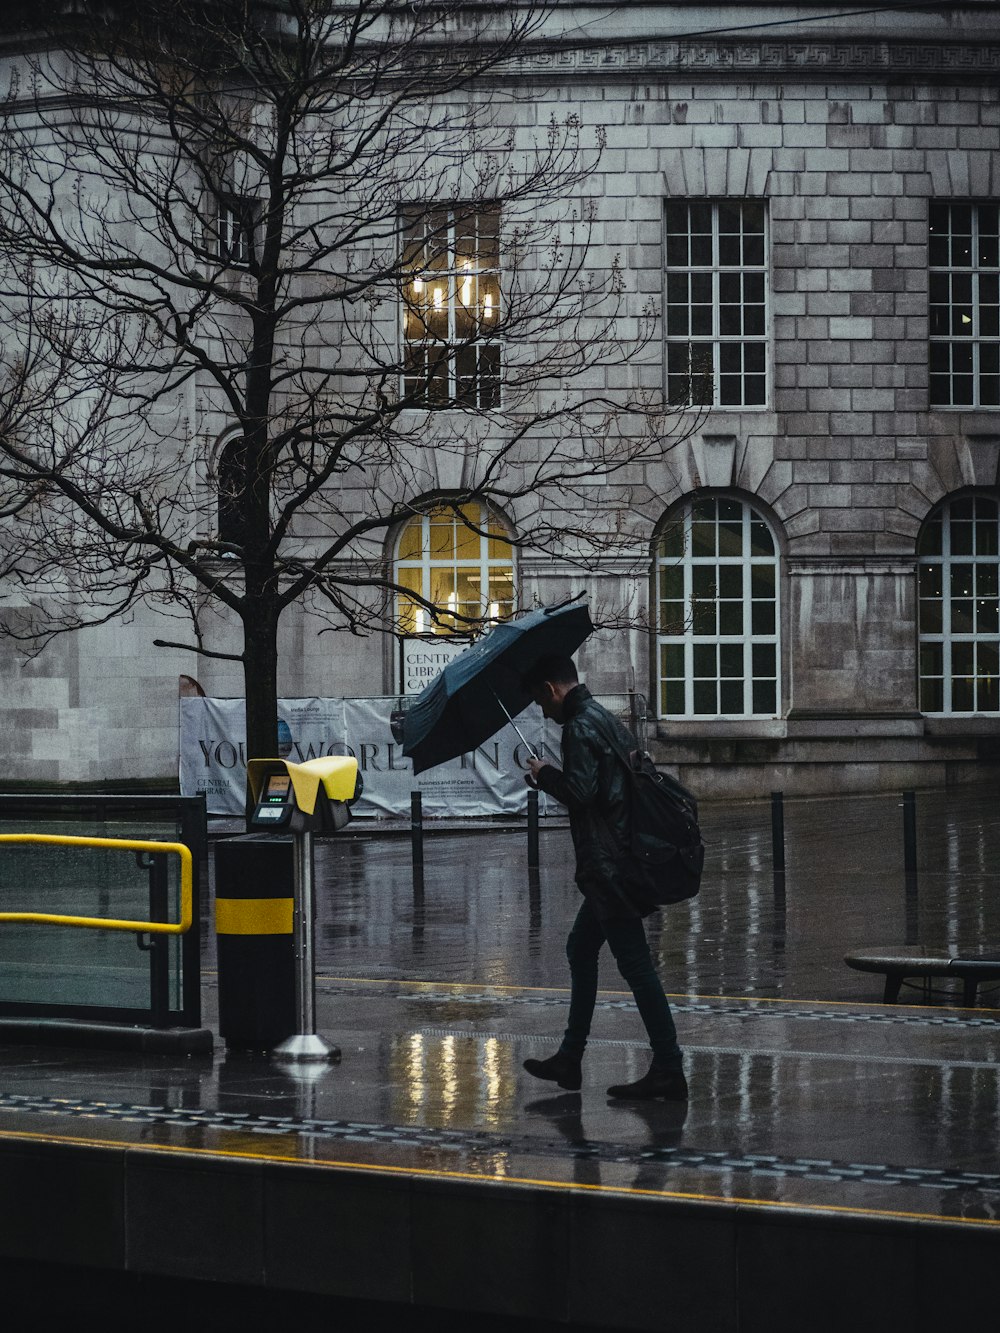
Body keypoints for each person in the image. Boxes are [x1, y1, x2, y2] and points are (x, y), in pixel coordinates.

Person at [520, 653, 687, 1101]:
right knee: (580, 948)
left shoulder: (578, 727)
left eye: (540, 700)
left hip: (609, 866)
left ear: (552, 690)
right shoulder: (603, 718)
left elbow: (581, 792)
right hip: (620, 860)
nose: (541, 710)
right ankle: (570, 1058)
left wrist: (544, 775)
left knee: (636, 966)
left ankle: (669, 1066)